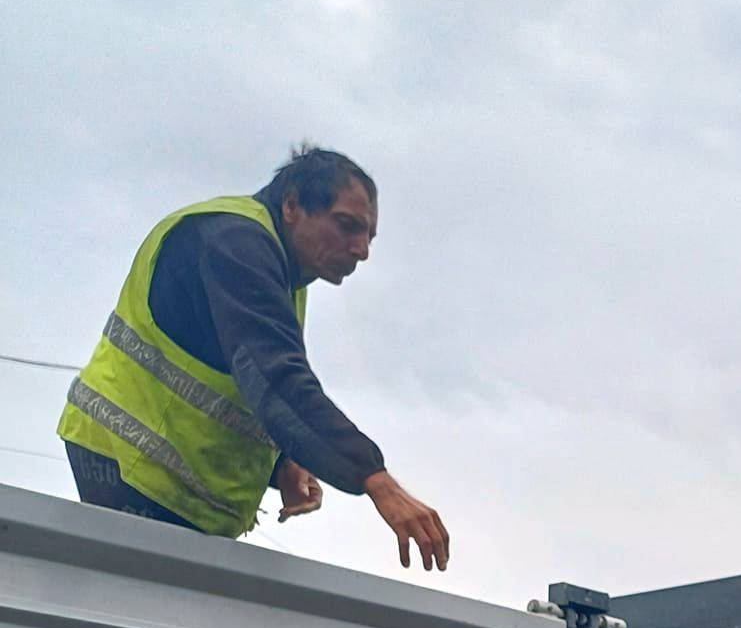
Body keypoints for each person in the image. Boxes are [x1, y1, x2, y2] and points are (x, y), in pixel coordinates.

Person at [58, 145, 449, 570]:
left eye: (368, 237)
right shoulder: (236, 245)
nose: (361, 250)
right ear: (292, 206)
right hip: (129, 462)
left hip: (161, 479)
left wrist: (280, 464)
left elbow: (236, 377)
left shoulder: (282, 272)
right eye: (346, 226)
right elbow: (277, 379)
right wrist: (374, 478)